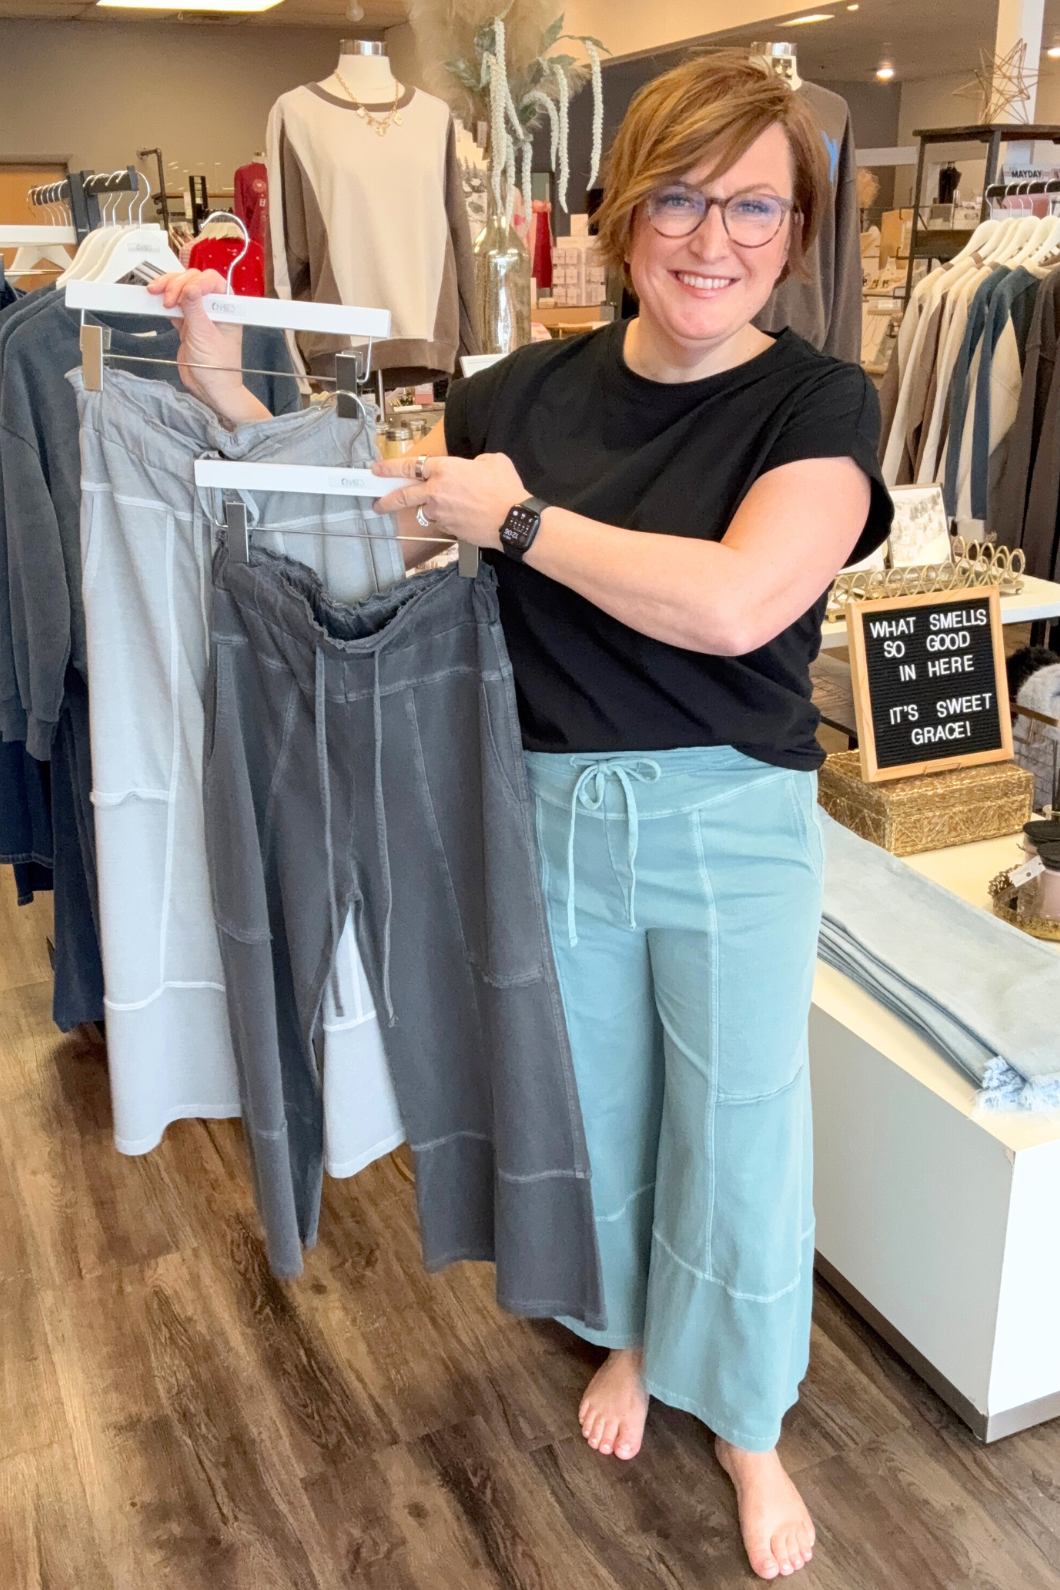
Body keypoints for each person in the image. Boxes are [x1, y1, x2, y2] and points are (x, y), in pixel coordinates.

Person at [149, 49, 891, 1583]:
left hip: (730, 821)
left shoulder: (816, 401)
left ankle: (749, 1414)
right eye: (678, 198)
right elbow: (369, 513)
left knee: (740, 1129)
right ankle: (634, 1334)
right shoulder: (517, 396)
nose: (713, 239)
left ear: (796, 231)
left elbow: (742, 601)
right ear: (624, 217)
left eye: (755, 206)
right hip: (545, 811)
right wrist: (223, 384)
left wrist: (523, 520)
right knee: (597, 1107)